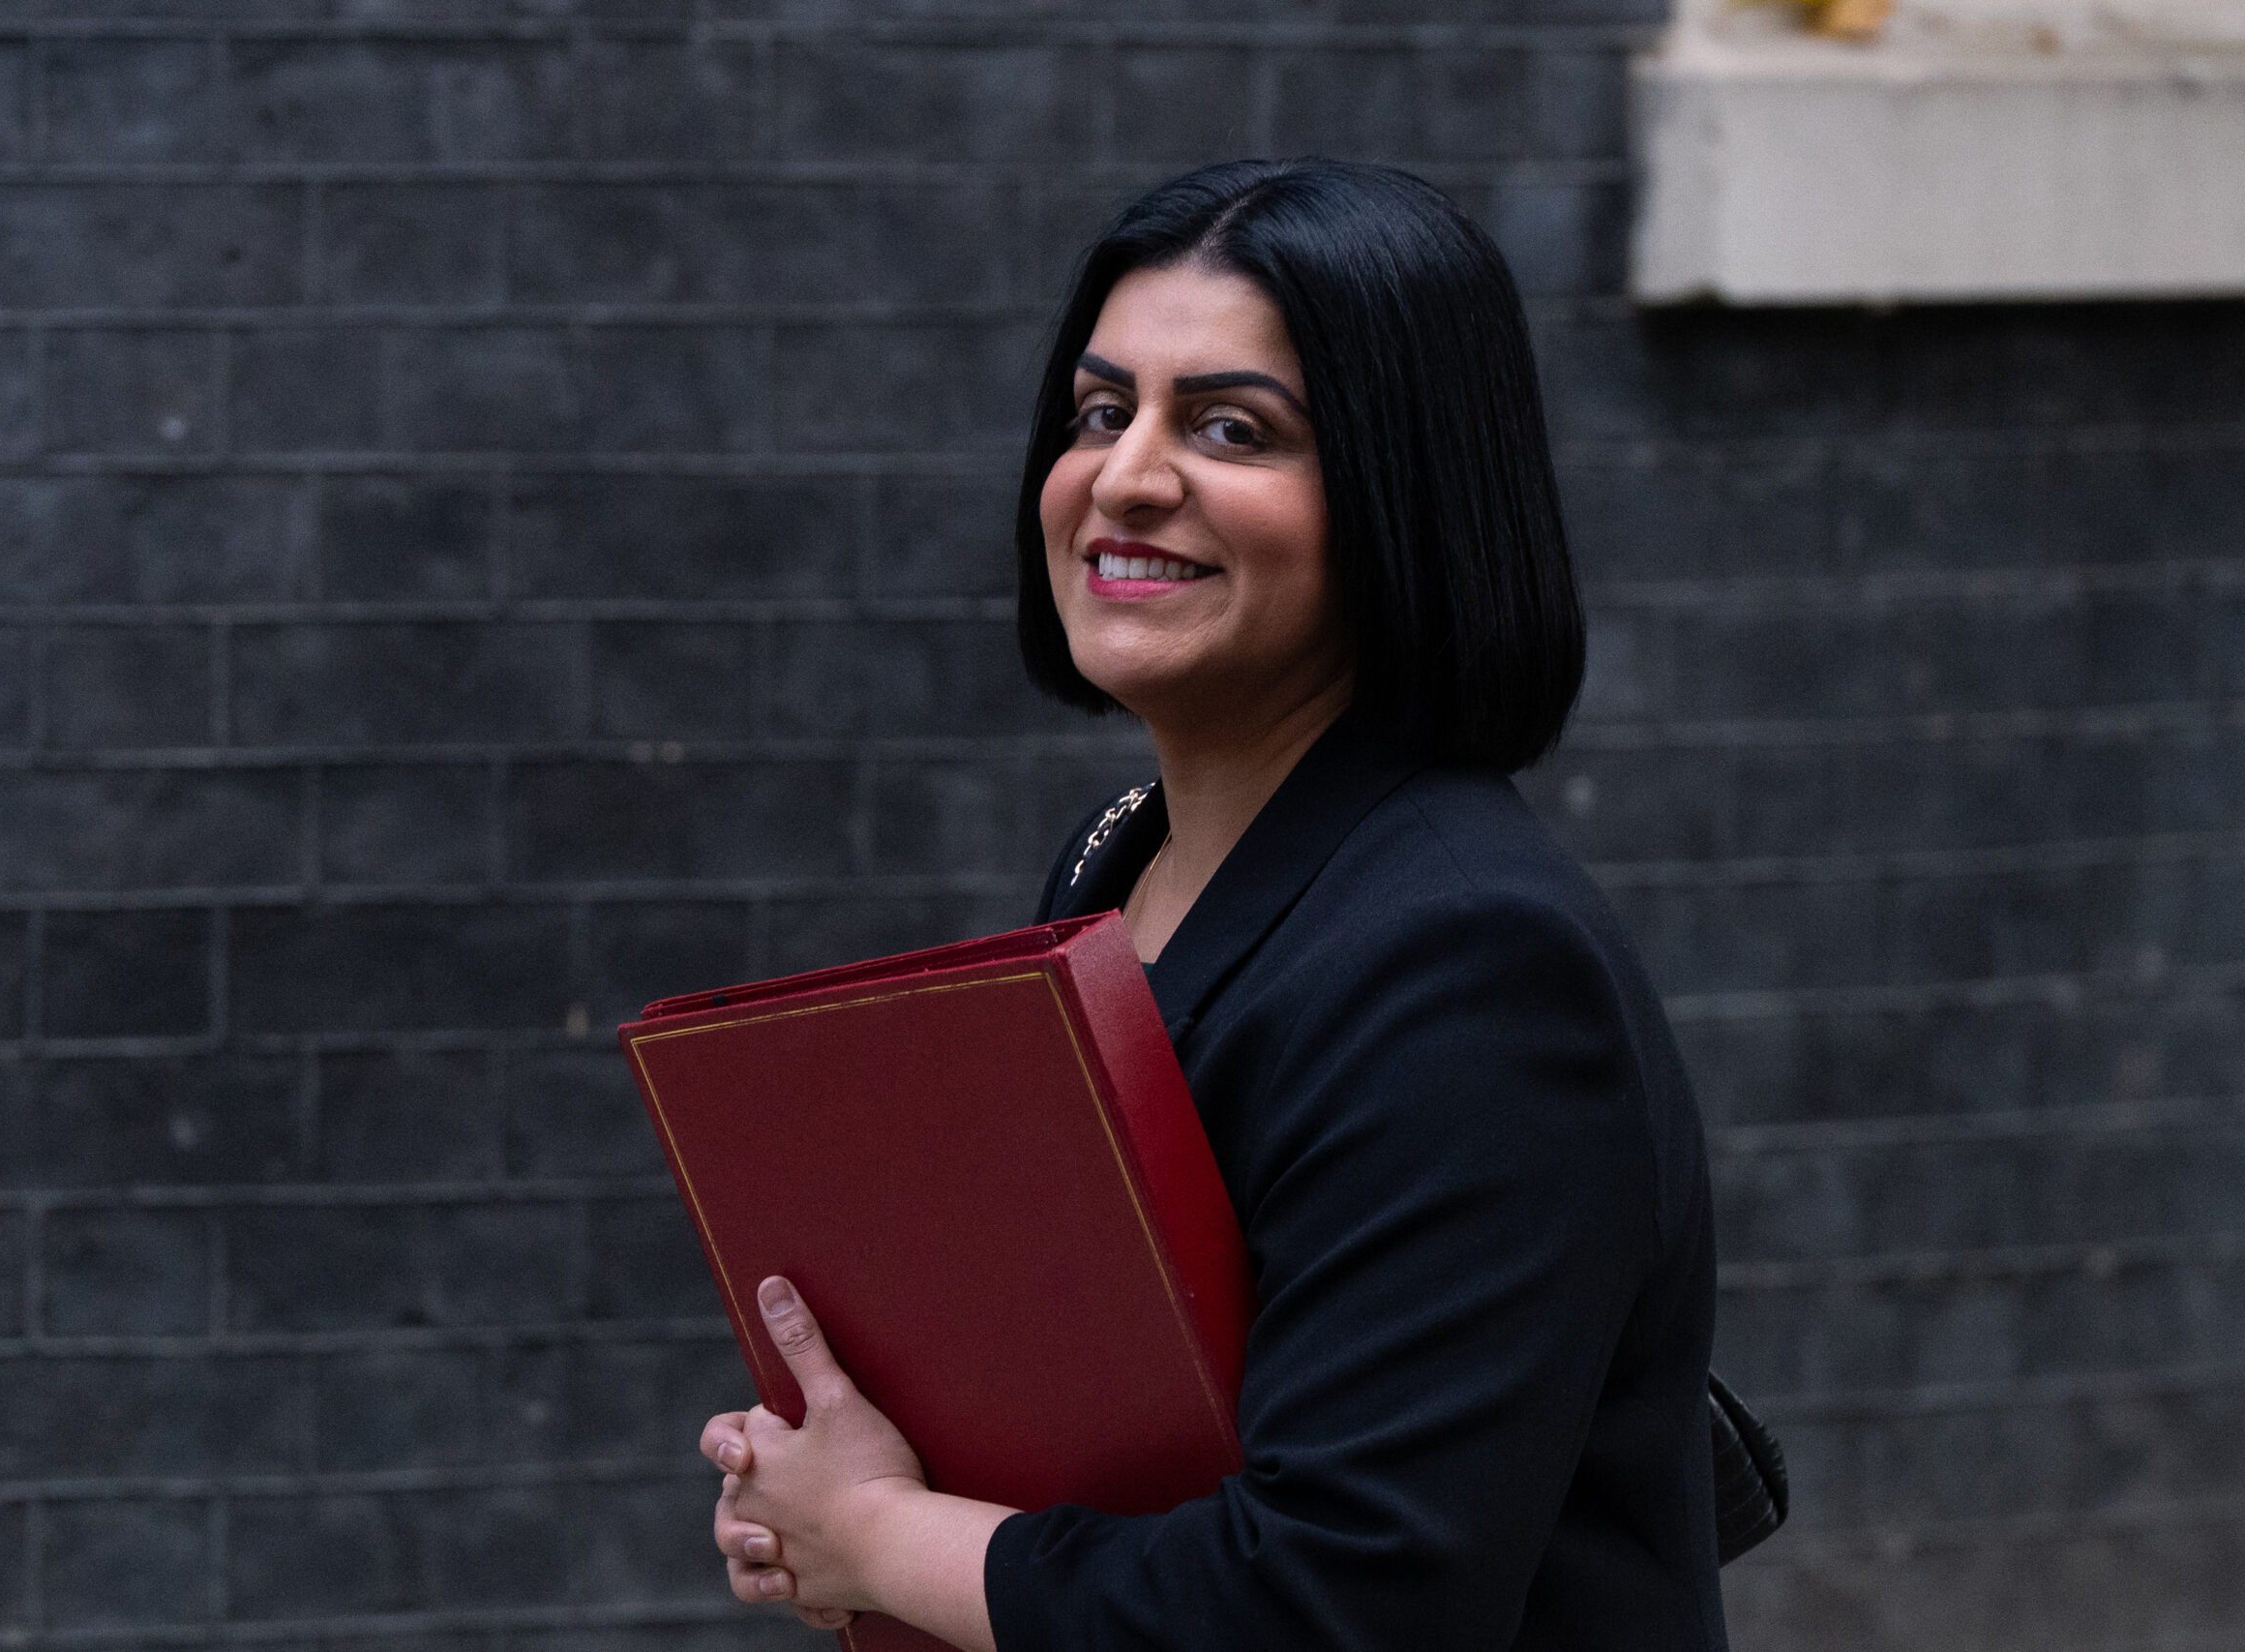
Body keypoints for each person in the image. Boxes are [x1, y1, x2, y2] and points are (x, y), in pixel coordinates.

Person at [696, 158, 1728, 1652]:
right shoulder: (1122, 862)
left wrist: (883, 1537)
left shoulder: (1470, 967)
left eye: (1231, 427)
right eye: (1101, 411)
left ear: (1404, 489)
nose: (1125, 475)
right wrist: (838, 1484)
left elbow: (1344, 1603)